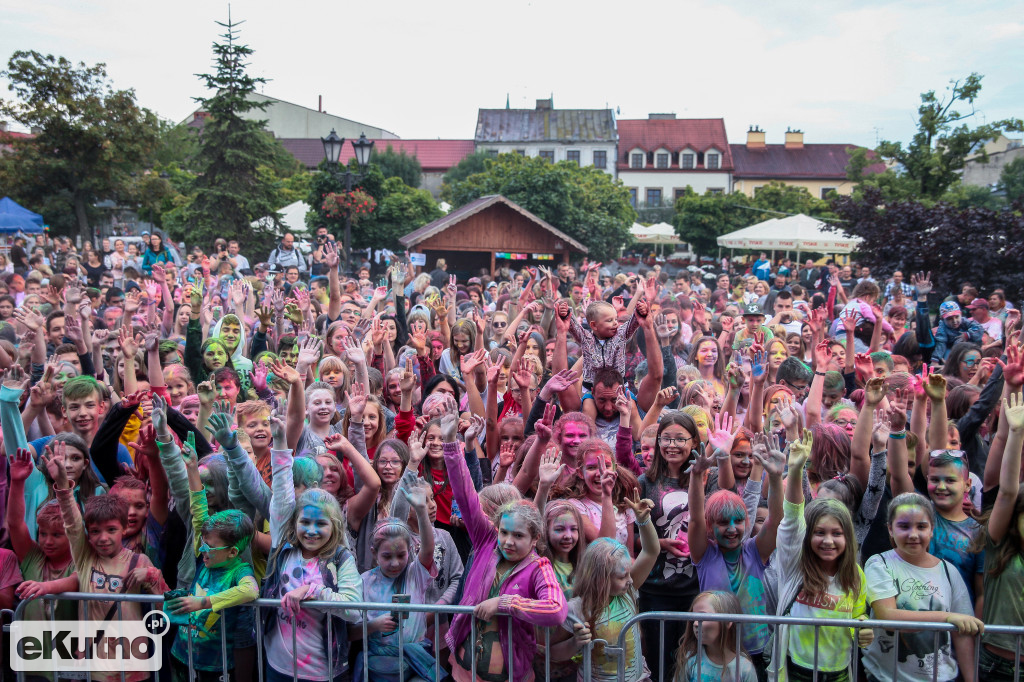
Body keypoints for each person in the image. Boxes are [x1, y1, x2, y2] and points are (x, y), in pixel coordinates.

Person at [770, 430, 873, 682]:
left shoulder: (855, 575)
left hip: (839, 674)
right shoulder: (796, 566)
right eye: (819, 533)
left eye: (836, 533)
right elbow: (793, 518)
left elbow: (857, 617)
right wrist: (795, 470)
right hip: (796, 671)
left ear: (848, 537)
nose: (828, 541)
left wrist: (863, 627)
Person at [862, 493, 982, 682]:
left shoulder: (949, 571)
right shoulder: (879, 564)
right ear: (890, 529)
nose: (913, 534)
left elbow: (962, 633)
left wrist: (971, 679)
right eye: (904, 526)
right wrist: (947, 617)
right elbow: (888, 616)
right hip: (887, 677)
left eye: (921, 526)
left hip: (941, 676)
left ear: (931, 530)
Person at [168, 433, 258, 682]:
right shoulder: (206, 554)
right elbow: (199, 511)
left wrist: (204, 603)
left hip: (216, 668)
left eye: (209, 546)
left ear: (232, 552)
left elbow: (250, 591)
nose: (202, 549)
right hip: (182, 657)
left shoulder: (239, 570)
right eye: (203, 543)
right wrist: (191, 469)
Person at [673, 591, 759, 682]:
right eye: (694, 617)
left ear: (727, 621)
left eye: (702, 616)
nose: (695, 624)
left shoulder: (744, 668)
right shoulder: (691, 660)